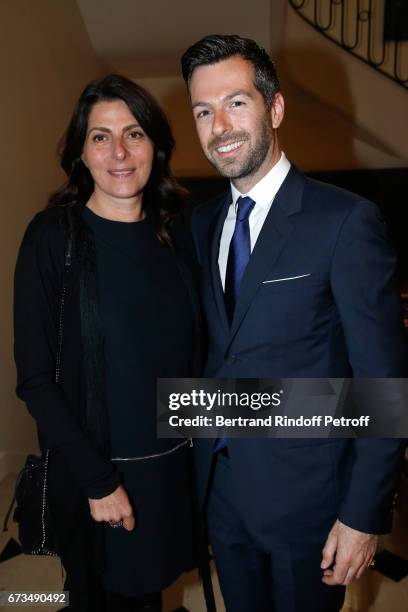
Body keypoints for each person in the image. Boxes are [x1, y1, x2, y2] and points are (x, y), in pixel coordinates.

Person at [180, 35, 407, 612]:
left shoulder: (345, 221)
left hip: (310, 500)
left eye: (236, 102)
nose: (220, 125)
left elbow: (384, 383)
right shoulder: (200, 225)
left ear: (274, 108)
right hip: (222, 491)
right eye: (203, 111)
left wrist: (362, 514)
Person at [14, 74, 202, 612]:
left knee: (147, 600)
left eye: (134, 133)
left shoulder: (178, 236)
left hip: (166, 479)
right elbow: (35, 378)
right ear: (80, 152)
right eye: (100, 136)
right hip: (93, 483)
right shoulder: (53, 237)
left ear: (156, 146)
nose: (119, 151)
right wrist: (98, 482)